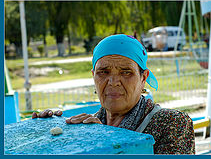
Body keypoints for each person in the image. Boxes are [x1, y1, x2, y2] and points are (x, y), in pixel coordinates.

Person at [33, 34, 195, 154]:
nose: (113, 82)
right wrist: (44, 138)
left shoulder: (172, 124)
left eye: (126, 72)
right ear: (94, 76)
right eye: (103, 72)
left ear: (143, 78)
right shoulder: (86, 127)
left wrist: (105, 142)